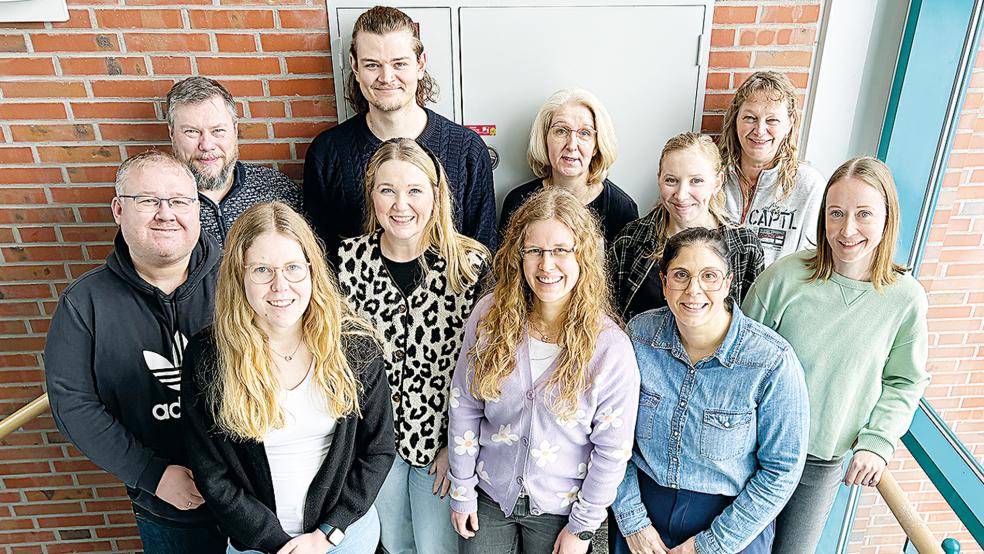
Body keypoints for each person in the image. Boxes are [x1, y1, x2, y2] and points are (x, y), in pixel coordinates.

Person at [181, 202, 396, 554]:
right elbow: (212, 475)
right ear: (239, 275)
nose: (280, 286)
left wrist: (328, 533)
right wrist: (278, 544)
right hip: (258, 544)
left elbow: (378, 450)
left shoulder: (355, 348)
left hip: (344, 537)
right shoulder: (209, 356)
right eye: (263, 270)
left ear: (312, 271)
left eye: (293, 268)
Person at [742, 157, 930, 554]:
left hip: (820, 464)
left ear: (887, 219)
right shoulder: (783, 278)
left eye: (864, 215)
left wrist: (878, 442)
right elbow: (738, 361)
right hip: (752, 451)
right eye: (836, 213)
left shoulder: (904, 299)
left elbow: (905, 381)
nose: (847, 230)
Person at [44, 151, 224, 553]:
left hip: (259, 500)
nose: (166, 213)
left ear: (197, 210)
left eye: (179, 200)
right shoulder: (85, 304)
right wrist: (152, 474)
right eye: (148, 201)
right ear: (118, 210)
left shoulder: (240, 279)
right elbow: (73, 405)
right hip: (165, 508)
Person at [448, 189, 640, 554]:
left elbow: (612, 451)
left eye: (560, 251)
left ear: (582, 256)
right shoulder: (490, 316)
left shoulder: (609, 348)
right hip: (487, 496)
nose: (546, 265)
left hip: (561, 510)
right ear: (518, 257)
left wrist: (582, 527)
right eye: (534, 251)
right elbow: (465, 406)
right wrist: (462, 488)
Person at [611, 226, 809, 554]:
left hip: (732, 521)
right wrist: (633, 521)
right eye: (680, 275)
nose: (693, 290)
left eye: (709, 276)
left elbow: (782, 470)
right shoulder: (638, 337)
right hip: (643, 512)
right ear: (663, 283)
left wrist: (710, 545)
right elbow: (611, 440)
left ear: (729, 282)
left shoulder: (771, 361)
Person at [336, 138, 490, 554]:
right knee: (397, 545)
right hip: (373, 446)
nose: (400, 204)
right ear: (372, 194)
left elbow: (484, 369)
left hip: (440, 444)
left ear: (435, 194)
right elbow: (339, 360)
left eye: (414, 190)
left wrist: (457, 449)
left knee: (436, 548)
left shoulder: (469, 265)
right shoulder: (350, 260)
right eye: (388, 190)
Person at [304, 6, 497, 260]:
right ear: (354, 65)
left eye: (399, 64)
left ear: (420, 64)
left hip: (455, 298)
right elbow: (319, 259)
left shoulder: (466, 149)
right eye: (372, 65)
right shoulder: (327, 153)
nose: (387, 77)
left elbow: (484, 252)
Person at [610, 132, 764, 322]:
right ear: (659, 179)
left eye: (696, 181)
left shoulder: (745, 247)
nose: (681, 195)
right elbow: (610, 318)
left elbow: (749, 326)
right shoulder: (630, 241)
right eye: (671, 180)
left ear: (718, 182)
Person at [167, 76, 302, 247]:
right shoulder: (157, 203)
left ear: (235, 129)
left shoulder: (276, 188)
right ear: (172, 133)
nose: (207, 145)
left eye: (217, 131)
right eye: (192, 132)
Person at [499, 88, 638, 245]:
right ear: (545, 139)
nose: (572, 145)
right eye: (561, 131)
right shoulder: (518, 202)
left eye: (584, 133)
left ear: (596, 146)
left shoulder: (621, 210)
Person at [718, 71, 825, 266]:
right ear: (736, 120)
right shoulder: (714, 177)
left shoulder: (808, 185)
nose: (759, 130)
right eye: (750, 118)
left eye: (772, 120)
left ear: (790, 122)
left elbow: (810, 261)